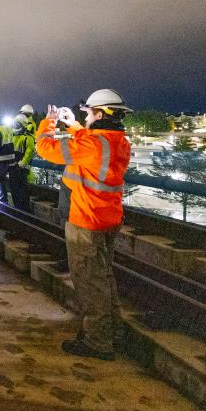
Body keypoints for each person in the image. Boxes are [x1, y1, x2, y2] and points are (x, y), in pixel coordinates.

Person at [35, 89, 132, 361]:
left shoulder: (93, 145)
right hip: (109, 218)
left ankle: (98, 341)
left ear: (100, 114)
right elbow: (90, 140)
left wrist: (49, 122)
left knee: (90, 282)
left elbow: (46, 148)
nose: (85, 115)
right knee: (105, 279)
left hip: (86, 219)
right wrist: (75, 125)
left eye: (88, 112)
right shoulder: (118, 141)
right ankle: (114, 334)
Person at [8, 115, 36, 212]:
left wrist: (22, 163)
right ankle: (18, 210)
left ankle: (24, 211)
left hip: (22, 169)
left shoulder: (28, 138)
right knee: (14, 190)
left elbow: (29, 152)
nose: (15, 126)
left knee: (22, 191)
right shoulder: (12, 136)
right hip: (13, 168)